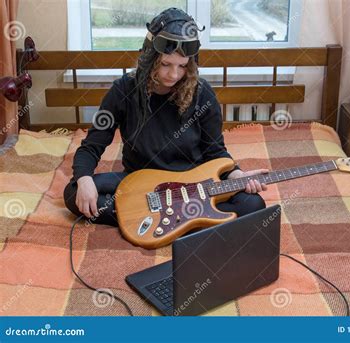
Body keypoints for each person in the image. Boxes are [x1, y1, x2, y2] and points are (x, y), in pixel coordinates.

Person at [63, 8, 268, 227]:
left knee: (253, 204)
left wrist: (235, 175)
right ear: (150, 58)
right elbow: (91, 146)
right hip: (141, 185)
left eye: (182, 66)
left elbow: (215, 151)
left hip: (194, 186)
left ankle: (164, 221)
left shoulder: (203, 93)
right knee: (73, 192)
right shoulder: (123, 90)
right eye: (165, 64)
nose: (174, 74)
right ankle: (187, 221)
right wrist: (84, 178)